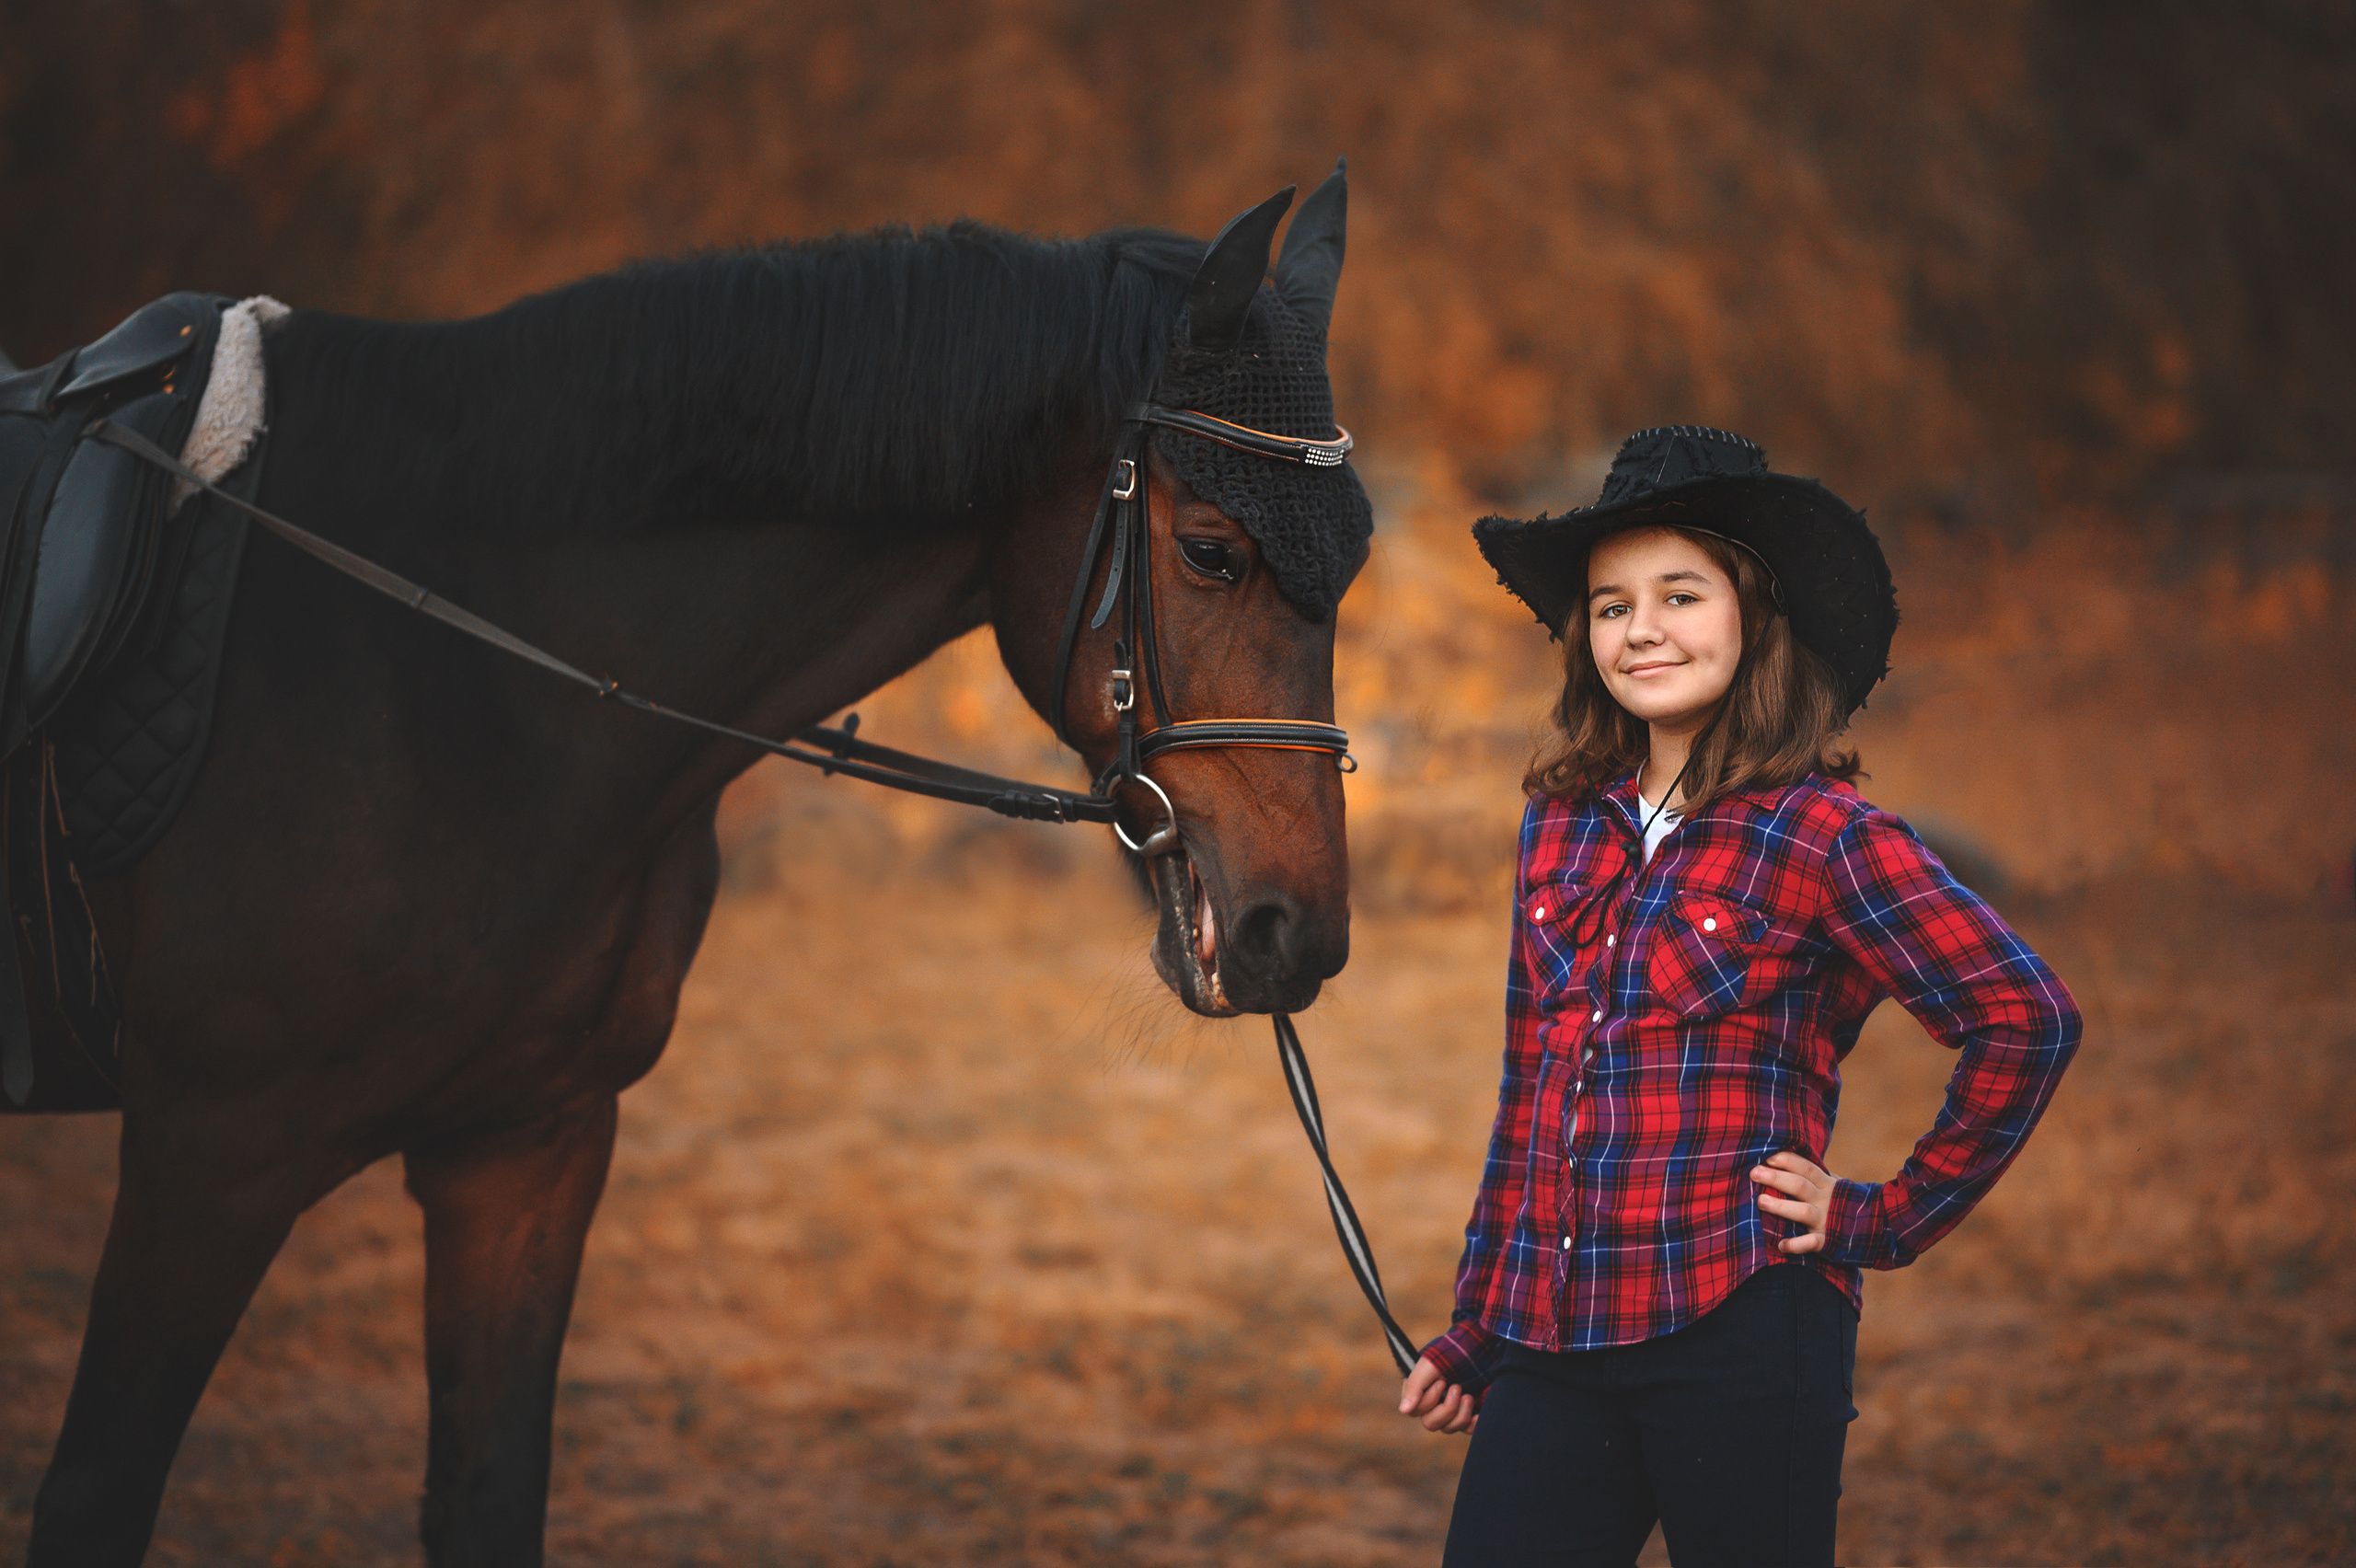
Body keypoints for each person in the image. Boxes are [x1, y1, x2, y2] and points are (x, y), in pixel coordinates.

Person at [1398, 428, 2082, 1567]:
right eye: (1610, 606)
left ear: (1755, 619)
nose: (1642, 629)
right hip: (1556, 1337)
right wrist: (1481, 1323)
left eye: (1679, 594)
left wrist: (1880, 1217)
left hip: (1739, 1330)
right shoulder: (1560, 822)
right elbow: (1534, 1089)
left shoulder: (1823, 837)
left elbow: (2025, 1015)